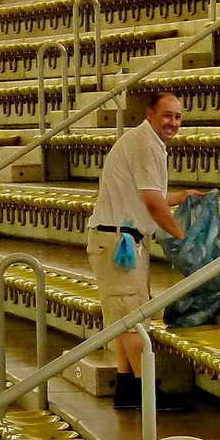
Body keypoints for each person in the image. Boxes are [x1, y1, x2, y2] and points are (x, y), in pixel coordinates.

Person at [85, 90, 201, 411]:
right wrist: (182, 237)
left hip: (113, 239)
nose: (173, 122)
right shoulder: (147, 144)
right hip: (118, 243)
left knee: (122, 319)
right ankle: (147, 392)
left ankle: (126, 389)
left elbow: (150, 197)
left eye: (178, 117)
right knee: (135, 319)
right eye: (167, 115)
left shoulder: (142, 142)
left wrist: (184, 195)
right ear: (150, 114)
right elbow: (152, 204)